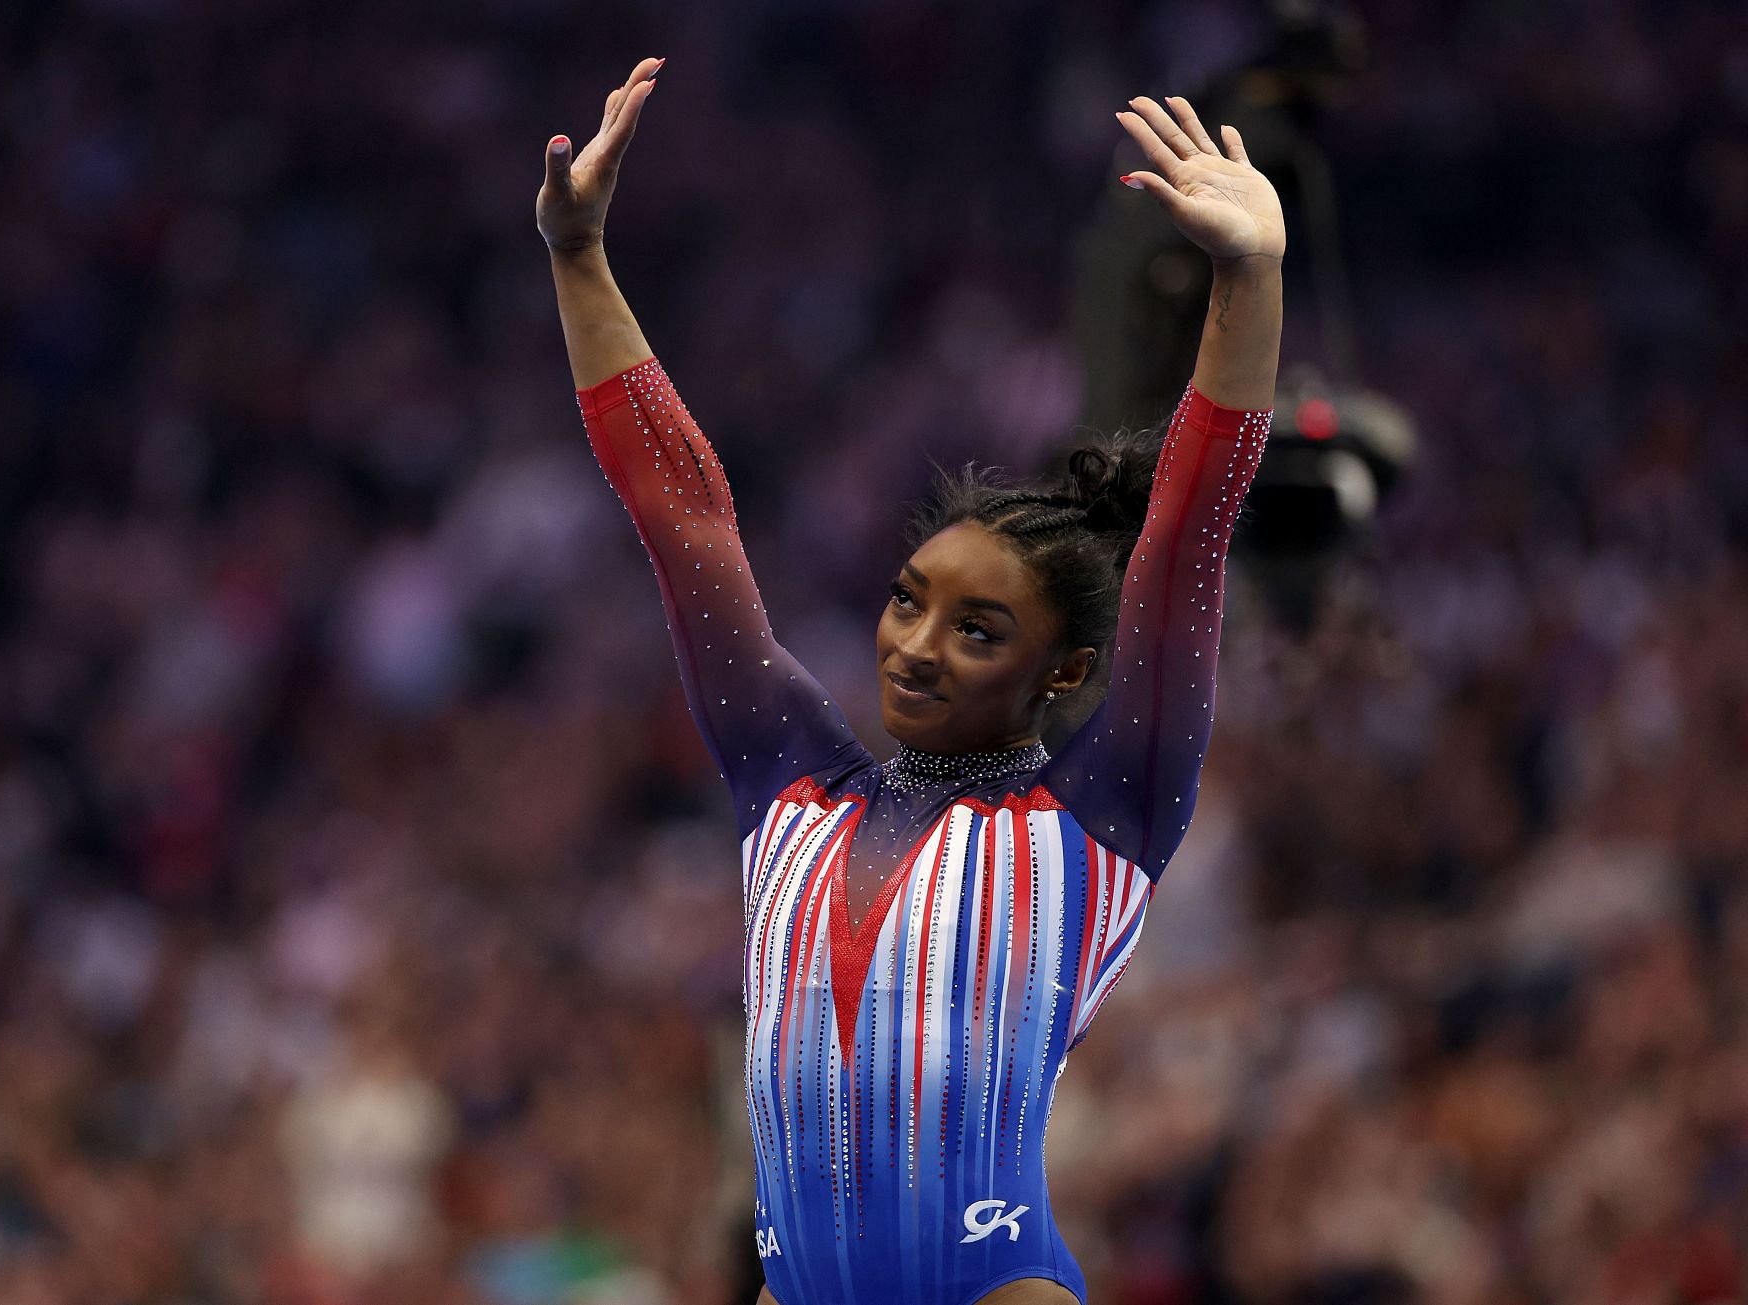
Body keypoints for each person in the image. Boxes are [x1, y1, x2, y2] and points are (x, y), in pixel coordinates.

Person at [538, 56, 1283, 1305]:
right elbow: (684, 515)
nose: (917, 646)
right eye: (907, 601)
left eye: (979, 629)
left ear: (1071, 673)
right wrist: (577, 259)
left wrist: (1249, 278)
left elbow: (1186, 531)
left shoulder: (1100, 818)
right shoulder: (791, 786)